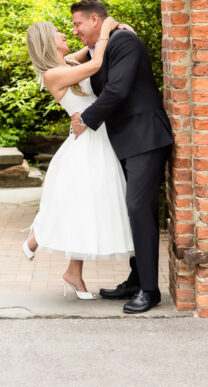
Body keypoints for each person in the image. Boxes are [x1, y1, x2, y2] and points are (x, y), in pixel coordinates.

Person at [69, 0, 173, 314]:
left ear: (96, 19)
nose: (74, 30)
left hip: (145, 137)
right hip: (124, 141)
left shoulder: (125, 40)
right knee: (129, 210)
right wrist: (99, 38)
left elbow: (118, 89)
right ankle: (135, 279)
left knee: (138, 208)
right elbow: (71, 59)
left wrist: (85, 120)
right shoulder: (100, 47)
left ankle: (150, 290)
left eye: (78, 24)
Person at [22, 16, 134, 300]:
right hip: (86, 146)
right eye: (59, 33)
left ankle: (72, 271)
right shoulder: (52, 74)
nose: (65, 34)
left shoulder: (68, 62)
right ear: (48, 41)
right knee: (83, 202)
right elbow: (96, 64)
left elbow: (91, 49)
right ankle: (39, 232)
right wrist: (107, 27)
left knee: (86, 205)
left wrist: (116, 27)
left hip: (97, 138)